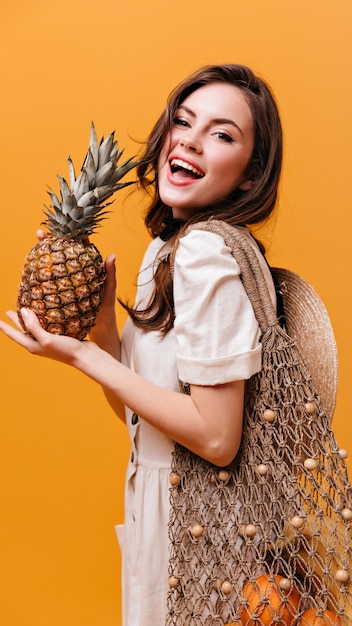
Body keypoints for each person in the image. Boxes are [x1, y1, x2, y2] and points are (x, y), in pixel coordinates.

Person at [0, 64, 283, 625]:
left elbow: (218, 437)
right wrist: (104, 334)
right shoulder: (167, 249)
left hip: (198, 531)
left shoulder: (205, 253)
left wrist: (80, 355)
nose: (191, 140)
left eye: (223, 134)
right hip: (167, 513)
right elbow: (143, 419)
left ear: (251, 176)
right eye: (184, 121)